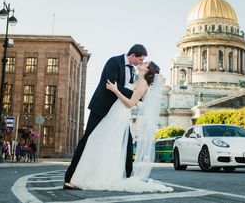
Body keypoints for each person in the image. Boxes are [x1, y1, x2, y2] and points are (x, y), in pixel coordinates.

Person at [70, 61, 173, 192]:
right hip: (115, 112)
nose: (142, 62)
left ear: (147, 70)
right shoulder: (138, 79)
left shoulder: (143, 84)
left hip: (120, 115)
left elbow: (130, 103)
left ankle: (104, 177)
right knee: (103, 142)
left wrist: (115, 89)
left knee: (103, 141)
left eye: (145, 63)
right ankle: (98, 175)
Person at [64, 44, 148, 189]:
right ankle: (69, 178)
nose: (140, 62)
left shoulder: (133, 70)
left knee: (127, 143)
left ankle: (129, 177)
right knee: (87, 138)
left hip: (118, 113)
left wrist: (136, 94)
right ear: (132, 55)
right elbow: (110, 85)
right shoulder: (113, 62)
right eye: (140, 59)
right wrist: (137, 96)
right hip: (101, 108)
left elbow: (123, 88)